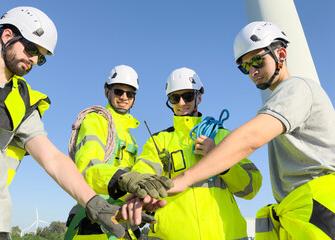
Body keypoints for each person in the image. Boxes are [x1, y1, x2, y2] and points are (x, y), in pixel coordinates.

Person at [0, 7, 170, 240]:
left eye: (41, 56)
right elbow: (88, 165)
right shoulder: (95, 119)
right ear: (7, 36)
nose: (34, 60)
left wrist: (94, 203)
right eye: (31, 49)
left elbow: (53, 159)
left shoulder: (25, 101)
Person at [167, 22, 335, 239]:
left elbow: (250, 138)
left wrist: (183, 179)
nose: (253, 72)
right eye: (245, 67)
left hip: (318, 208)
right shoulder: (280, 99)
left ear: (281, 54)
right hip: (301, 211)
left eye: (257, 61)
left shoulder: (297, 88)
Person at [129, 67, 262, 239]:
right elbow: (141, 174)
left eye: (188, 96)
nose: (182, 103)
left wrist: (218, 158)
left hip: (226, 234)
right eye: (175, 98)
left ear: (199, 97)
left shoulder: (223, 136)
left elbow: (251, 188)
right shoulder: (158, 141)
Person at [64, 65, 172, 240]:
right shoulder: (96, 120)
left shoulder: (131, 138)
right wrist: (122, 179)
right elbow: (87, 167)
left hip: (124, 224)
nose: (124, 97)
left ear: (134, 99)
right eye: (118, 91)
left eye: (130, 94)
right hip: (95, 223)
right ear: (107, 92)